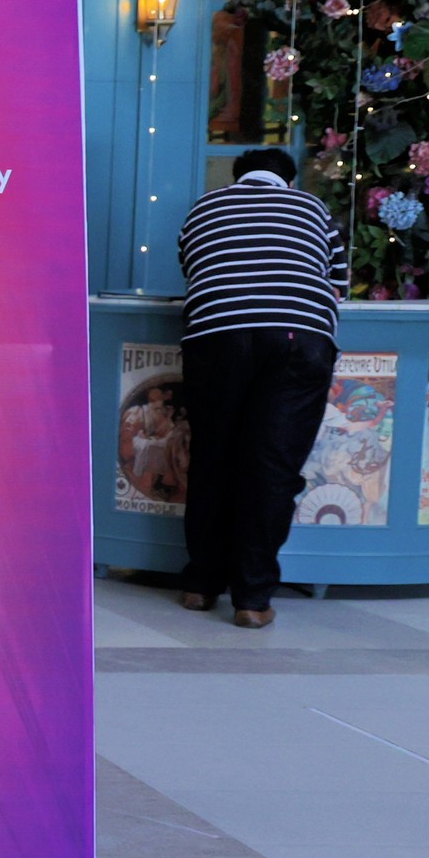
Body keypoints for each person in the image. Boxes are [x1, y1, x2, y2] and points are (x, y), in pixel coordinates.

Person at [174, 146, 347, 626]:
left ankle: (200, 584)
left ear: (238, 178)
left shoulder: (204, 207)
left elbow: (194, 270)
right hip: (298, 340)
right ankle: (252, 599)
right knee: (272, 467)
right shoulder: (312, 208)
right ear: (288, 182)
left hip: (216, 339)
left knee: (212, 458)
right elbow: (337, 285)